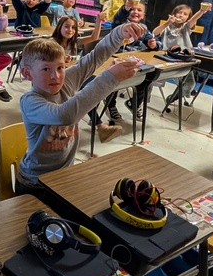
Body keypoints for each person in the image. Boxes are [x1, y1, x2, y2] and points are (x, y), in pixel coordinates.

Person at [15, 20, 144, 197]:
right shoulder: (30, 101)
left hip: (63, 174)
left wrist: (119, 33)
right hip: (35, 183)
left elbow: (94, 57)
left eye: (60, 67)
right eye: (46, 69)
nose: (56, 76)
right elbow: (65, 115)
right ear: (28, 74)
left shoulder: (65, 80)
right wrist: (110, 78)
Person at [104, 0, 160, 123]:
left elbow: (153, 41)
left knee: (151, 73)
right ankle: (110, 104)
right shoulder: (121, 24)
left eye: (139, 10)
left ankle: (134, 103)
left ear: (143, 15)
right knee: (116, 76)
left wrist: (153, 45)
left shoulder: (143, 28)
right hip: (116, 58)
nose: (135, 12)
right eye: (132, 9)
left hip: (135, 61)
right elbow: (118, 18)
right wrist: (125, 8)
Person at [153, 1, 212, 106]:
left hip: (183, 59)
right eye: (179, 12)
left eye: (185, 14)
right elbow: (155, 33)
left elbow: (193, 19)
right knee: (154, 77)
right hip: (167, 57)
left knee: (190, 80)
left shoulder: (185, 27)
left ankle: (176, 95)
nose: (181, 15)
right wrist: (167, 23)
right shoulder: (167, 26)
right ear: (174, 14)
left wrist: (202, 10)